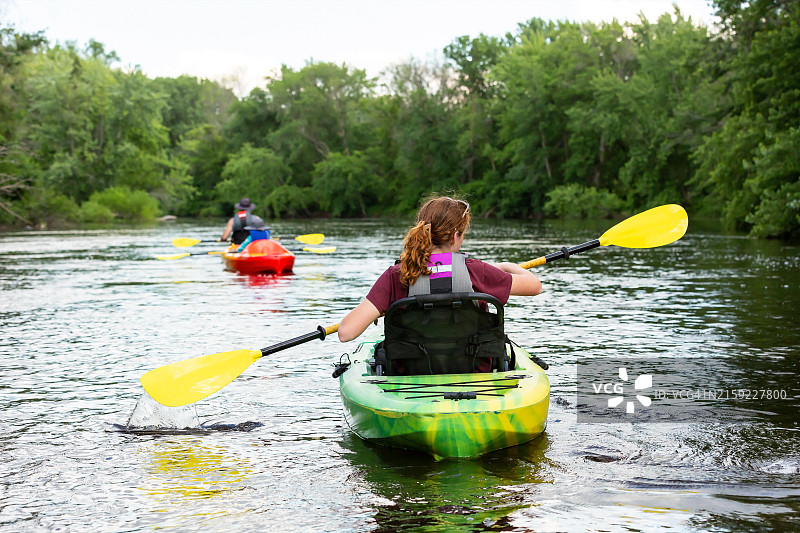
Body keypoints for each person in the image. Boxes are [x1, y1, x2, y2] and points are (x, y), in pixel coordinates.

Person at [338, 195, 542, 344]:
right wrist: (507, 266)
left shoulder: (398, 275)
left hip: (412, 373)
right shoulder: (476, 271)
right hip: (472, 371)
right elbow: (535, 286)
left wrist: (377, 311)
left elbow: (346, 332)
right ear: (455, 237)